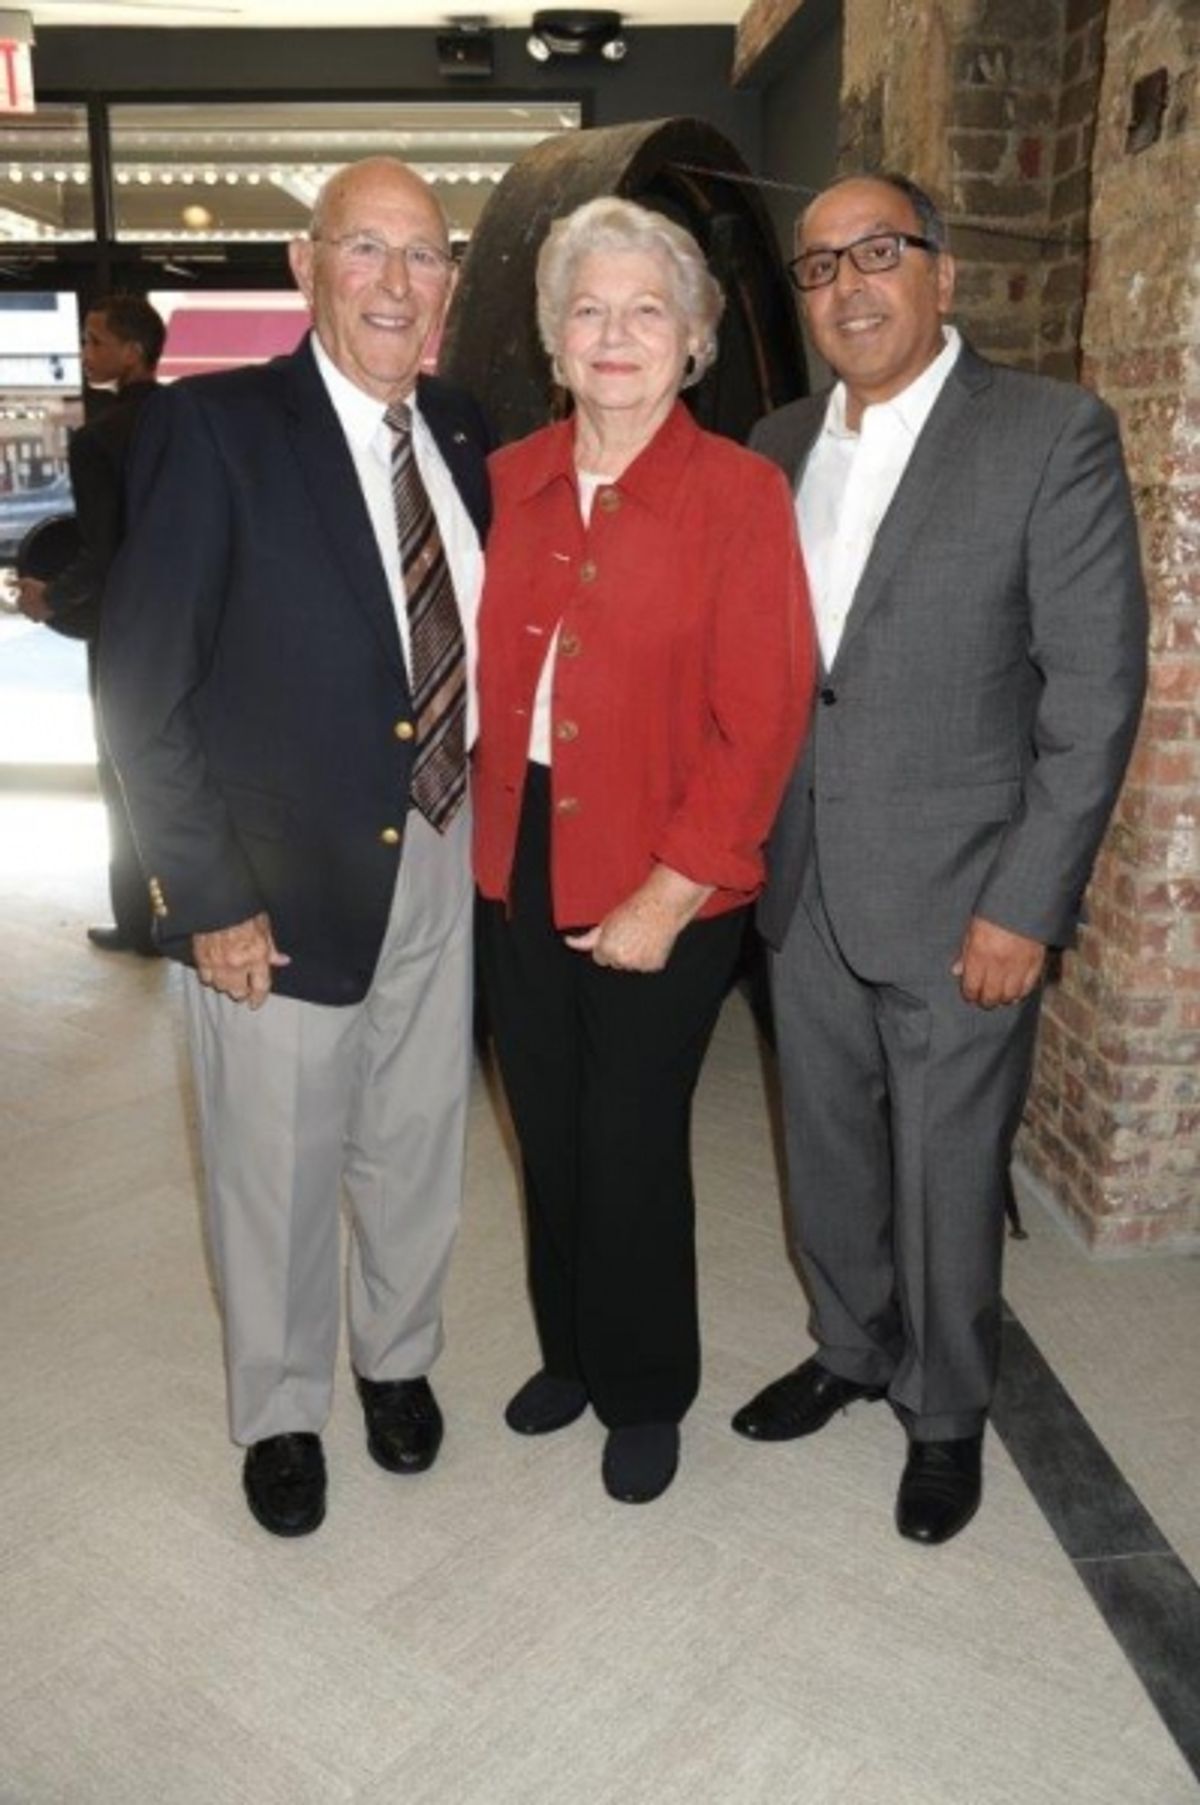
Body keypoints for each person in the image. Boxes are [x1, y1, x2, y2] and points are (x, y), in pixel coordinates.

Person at [733, 173, 1147, 1543]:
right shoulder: (776, 440)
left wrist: (1026, 904)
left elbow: (1091, 698)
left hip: (966, 890)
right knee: (830, 1153)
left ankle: (947, 1411)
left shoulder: (1048, 435)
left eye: (880, 254)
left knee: (948, 1166)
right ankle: (851, 1349)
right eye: (818, 267)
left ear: (943, 273)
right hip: (804, 882)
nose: (849, 287)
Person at [100, 158, 491, 1537]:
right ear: (304, 265)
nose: (397, 282)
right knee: (273, 1165)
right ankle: (280, 1410)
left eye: (424, 256)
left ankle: (397, 1362)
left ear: (450, 285)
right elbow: (140, 687)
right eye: (367, 251)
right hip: (267, 889)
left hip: (439, 848)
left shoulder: (461, 427)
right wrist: (204, 895)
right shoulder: (215, 431)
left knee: (416, 1136)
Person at [474, 196, 813, 1505]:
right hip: (521, 856)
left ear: (694, 342)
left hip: (670, 865)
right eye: (589, 309)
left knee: (627, 1140)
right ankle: (568, 1349)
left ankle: (646, 1384)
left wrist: (670, 894)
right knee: (544, 1131)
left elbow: (765, 712)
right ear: (556, 342)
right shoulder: (507, 481)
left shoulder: (738, 493)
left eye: (646, 310)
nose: (616, 334)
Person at [16, 294, 165, 954]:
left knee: (122, 773)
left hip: (125, 632)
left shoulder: (98, 438)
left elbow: (106, 550)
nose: (85, 353)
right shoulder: (187, 417)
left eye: (95, 340)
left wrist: (50, 598)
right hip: (186, 622)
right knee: (175, 769)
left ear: (132, 351)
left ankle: (138, 923)